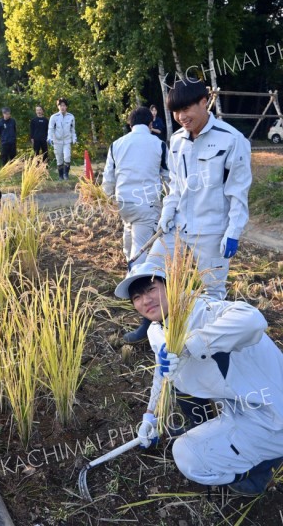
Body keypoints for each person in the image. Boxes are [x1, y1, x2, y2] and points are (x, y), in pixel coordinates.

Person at [115, 259, 283, 497]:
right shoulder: (157, 328)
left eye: (151, 289)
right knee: (179, 382)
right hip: (236, 403)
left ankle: (261, 467)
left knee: (187, 456)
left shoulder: (203, 309)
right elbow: (163, 373)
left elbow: (253, 320)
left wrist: (190, 344)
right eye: (137, 297)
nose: (145, 300)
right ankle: (216, 432)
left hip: (269, 411)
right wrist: (151, 416)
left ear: (171, 287)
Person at [148, 78, 252, 301]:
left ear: (204, 102)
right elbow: (175, 185)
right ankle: (154, 325)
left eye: (186, 108)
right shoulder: (176, 141)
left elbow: (238, 192)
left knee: (212, 290)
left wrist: (233, 232)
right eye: (176, 111)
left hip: (211, 231)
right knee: (151, 274)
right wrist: (167, 212)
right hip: (178, 225)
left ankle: (208, 333)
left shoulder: (232, 140)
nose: (181, 117)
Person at [102, 106, 169, 344]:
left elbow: (108, 180)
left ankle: (149, 317)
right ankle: (149, 319)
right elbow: (169, 177)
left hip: (124, 206)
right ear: (151, 123)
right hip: (146, 206)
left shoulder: (117, 144)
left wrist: (105, 198)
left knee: (130, 250)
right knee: (141, 259)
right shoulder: (157, 144)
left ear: (130, 124)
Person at [47, 98, 77, 180]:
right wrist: (49, 138)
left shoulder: (71, 117)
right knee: (59, 159)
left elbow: (73, 129)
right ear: (58, 107)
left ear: (66, 107)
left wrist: (74, 138)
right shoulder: (54, 117)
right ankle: (60, 176)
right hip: (57, 141)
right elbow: (51, 129)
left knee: (67, 157)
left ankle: (66, 174)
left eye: (64, 105)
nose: (62, 107)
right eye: (61, 105)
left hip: (67, 141)